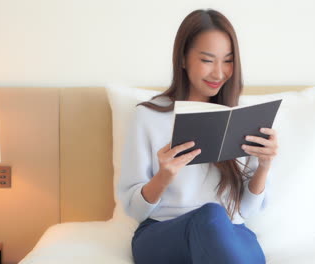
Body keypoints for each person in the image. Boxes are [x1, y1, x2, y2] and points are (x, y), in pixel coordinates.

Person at [117, 8, 278, 264]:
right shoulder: (148, 116)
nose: (219, 73)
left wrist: (264, 168)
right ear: (182, 59)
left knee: (217, 222)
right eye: (207, 60)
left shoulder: (242, 117)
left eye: (227, 60)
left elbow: (246, 211)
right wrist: (163, 177)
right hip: (164, 233)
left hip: (230, 233)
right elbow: (134, 210)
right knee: (210, 215)